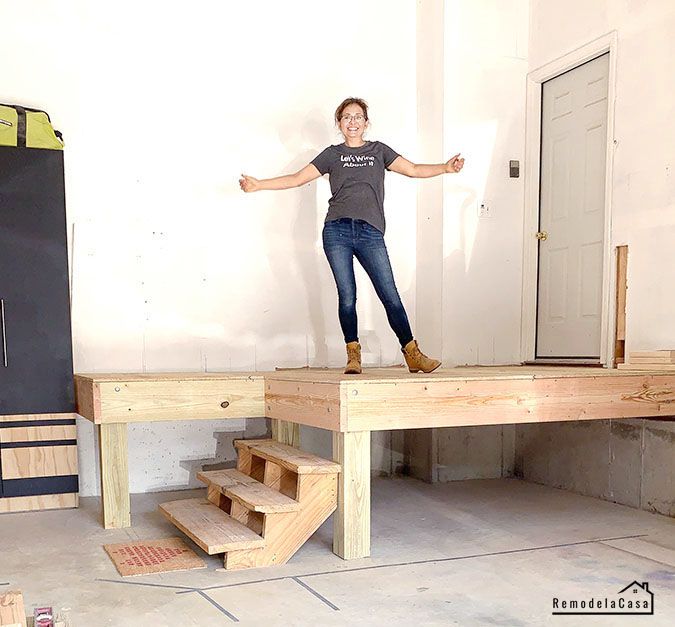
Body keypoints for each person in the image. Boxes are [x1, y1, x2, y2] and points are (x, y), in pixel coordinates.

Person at [240, 97, 464, 375]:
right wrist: (259, 185)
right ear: (339, 124)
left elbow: (414, 170)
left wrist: (445, 167)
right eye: (347, 117)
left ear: (366, 123)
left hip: (370, 232)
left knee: (390, 294)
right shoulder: (331, 155)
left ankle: (413, 354)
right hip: (337, 230)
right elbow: (298, 178)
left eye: (358, 117)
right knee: (347, 295)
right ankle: (353, 355)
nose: (353, 122)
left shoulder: (379, 151)